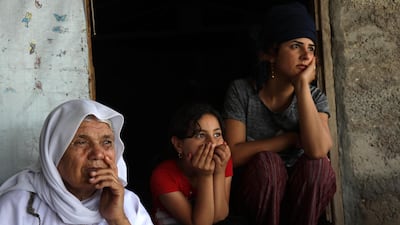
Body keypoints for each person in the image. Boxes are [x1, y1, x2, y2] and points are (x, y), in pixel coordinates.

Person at [222, 2, 337, 225]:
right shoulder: (242, 92)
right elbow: (233, 155)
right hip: (257, 193)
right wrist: (288, 139)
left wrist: (302, 87)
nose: (306, 55)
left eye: (311, 48)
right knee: (269, 165)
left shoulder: (315, 97)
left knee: (319, 166)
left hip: (301, 202)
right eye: (296, 46)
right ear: (272, 54)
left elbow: (318, 150)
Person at [0, 99, 154, 225]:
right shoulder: (18, 205)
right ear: (54, 153)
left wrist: (117, 219)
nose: (98, 154)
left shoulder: (126, 203)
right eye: (81, 142)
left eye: (106, 142)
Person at [150, 103, 236, 225]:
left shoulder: (222, 160)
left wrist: (219, 172)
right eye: (201, 135)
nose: (212, 143)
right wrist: (205, 176)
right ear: (178, 144)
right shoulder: (163, 175)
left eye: (217, 134)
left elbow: (220, 216)